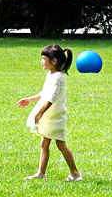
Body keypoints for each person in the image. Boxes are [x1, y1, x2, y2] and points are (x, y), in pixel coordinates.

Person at [16, 43, 82, 181]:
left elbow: (52, 98)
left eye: (44, 59)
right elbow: (45, 92)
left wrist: (40, 113)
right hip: (50, 115)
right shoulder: (50, 75)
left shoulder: (58, 77)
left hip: (55, 115)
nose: (41, 62)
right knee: (44, 143)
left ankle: (75, 173)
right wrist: (30, 99)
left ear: (54, 61)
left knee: (60, 143)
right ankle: (41, 172)